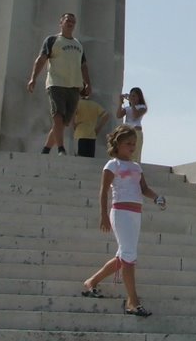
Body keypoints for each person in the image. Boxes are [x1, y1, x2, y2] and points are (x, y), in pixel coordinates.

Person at [80, 125, 166, 317]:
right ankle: (133, 302)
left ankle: (91, 282)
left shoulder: (136, 166)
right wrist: (103, 214)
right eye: (128, 144)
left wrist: (157, 197)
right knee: (128, 255)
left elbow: (144, 188)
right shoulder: (113, 165)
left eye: (134, 144)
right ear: (118, 144)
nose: (132, 147)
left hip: (136, 213)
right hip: (120, 212)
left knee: (124, 256)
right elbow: (103, 191)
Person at [26, 13, 92, 155]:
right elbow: (41, 59)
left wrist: (87, 83)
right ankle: (61, 149)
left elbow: (84, 65)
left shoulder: (78, 44)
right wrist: (33, 78)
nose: (71, 23)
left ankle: (46, 150)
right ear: (61, 22)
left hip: (74, 86)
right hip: (56, 83)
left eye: (73, 22)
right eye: (68, 20)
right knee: (57, 116)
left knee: (63, 124)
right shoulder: (52, 40)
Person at [119, 88, 148, 163]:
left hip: (136, 132)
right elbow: (118, 115)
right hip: (126, 132)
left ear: (139, 97)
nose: (132, 98)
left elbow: (135, 115)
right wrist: (120, 102)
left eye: (134, 96)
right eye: (131, 96)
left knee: (135, 153)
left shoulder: (142, 107)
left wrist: (132, 103)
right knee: (125, 153)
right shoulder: (127, 108)